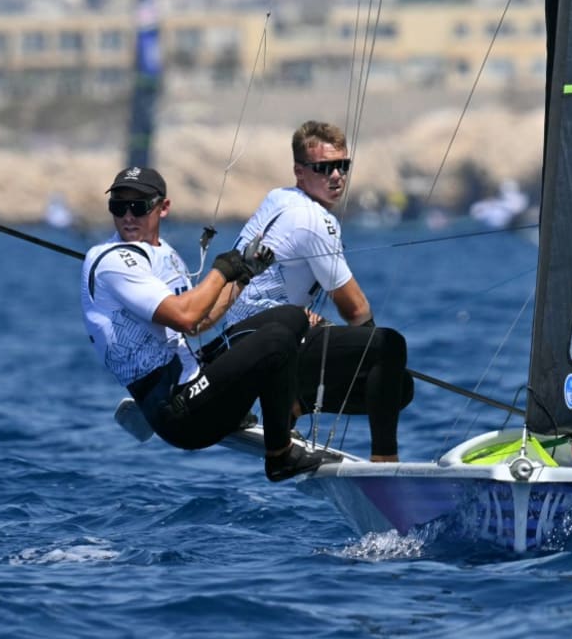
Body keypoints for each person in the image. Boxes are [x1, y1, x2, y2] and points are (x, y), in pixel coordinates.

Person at [81, 166, 338, 482]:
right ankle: (280, 456)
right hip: (177, 414)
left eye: (139, 206)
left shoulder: (167, 256)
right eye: (118, 207)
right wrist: (221, 270)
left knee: (290, 317)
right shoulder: (112, 261)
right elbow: (184, 315)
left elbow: (199, 321)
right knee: (275, 343)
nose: (128, 216)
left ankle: (262, 413)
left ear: (163, 207)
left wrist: (243, 274)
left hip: (192, 379)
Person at [218, 120, 414, 462]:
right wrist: (372, 360)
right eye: (324, 168)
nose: (336, 176)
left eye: (342, 166)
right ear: (300, 172)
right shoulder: (315, 221)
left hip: (238, 342)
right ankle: (386, 462)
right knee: (390, 348)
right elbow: (355, 309)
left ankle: (292, 403)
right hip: (266, 346)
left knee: (395, 381)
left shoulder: (278, 198)